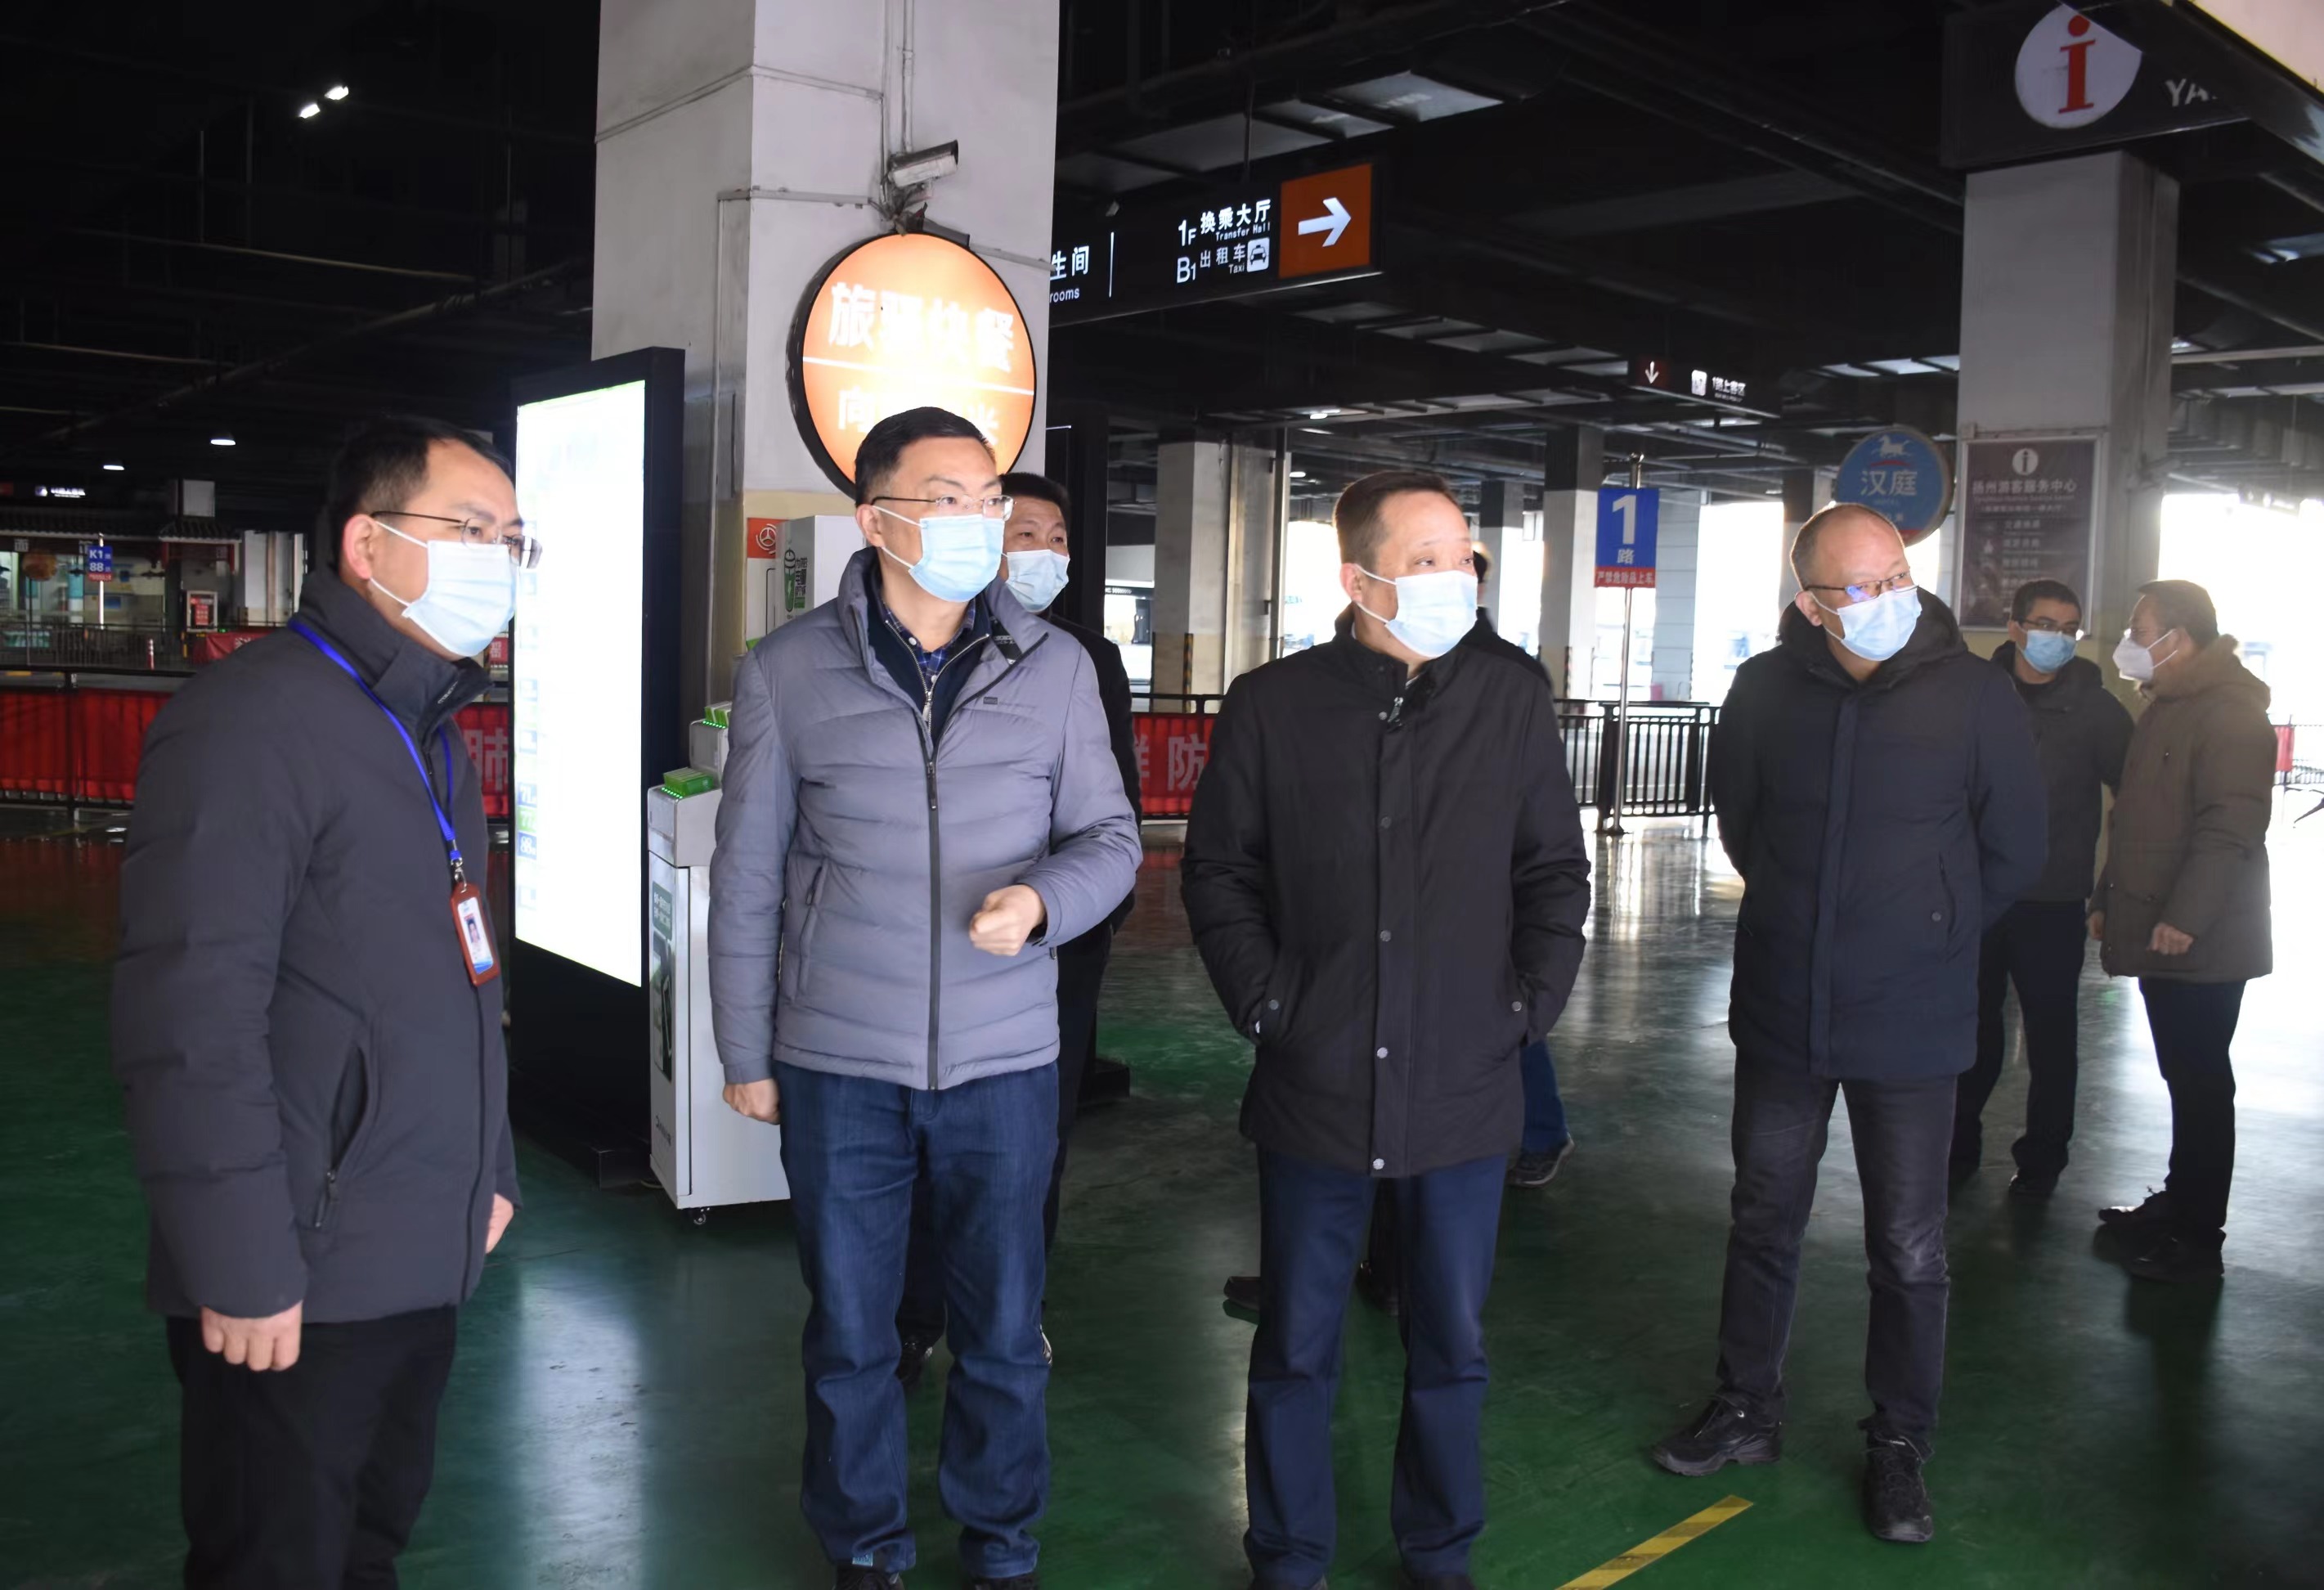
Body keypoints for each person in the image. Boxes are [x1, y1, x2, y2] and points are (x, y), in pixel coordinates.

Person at [709, 407, 1141, 1590]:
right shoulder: (788, 669)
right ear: (876, 520)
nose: (978, 521)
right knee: (851, 1333)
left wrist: (1043, 901)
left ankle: (1002, 1541)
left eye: (988, 499)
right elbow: (747, 876)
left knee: (1002, 1330)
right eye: (948, 498)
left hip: (1006, 1062)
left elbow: (1111, 839)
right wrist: (745, 1053)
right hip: (839, 1062)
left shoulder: (1056, 669)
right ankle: (863, 1544)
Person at [112, 414, 531, 1587]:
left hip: (421, 1238)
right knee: (275, 1559)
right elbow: (189, 1020)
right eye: (472, 528)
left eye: (513, 539)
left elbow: (457, 983)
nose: (499, 559)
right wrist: (240, 1261)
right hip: (296, 1265)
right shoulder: (251, 721)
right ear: (366, 543)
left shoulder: (427, 728)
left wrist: (489, 1168)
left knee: (367, 1545)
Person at [1184, 469, 1592, 1590]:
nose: (1454, 577)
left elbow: (1553, 870)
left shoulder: (1509, 698)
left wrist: (1527, 1006)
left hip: (1464, 1081)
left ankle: (1438, 1550)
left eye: (1462, 557)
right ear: (1358, 579)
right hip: (1314, 1078)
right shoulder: (1273, 704)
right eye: (1424, 560)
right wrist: (1268, 1002)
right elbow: (1220, 871)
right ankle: (1287, 1555)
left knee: (1449, 1345)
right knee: (1295, 1344)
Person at [1655, 504, 2044, 1545]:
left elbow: (2014, 845)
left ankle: (1900, 1440)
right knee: (1762, 1217)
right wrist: (1806, 913)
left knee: (1909, 1245)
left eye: (1894, 577)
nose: (1883, 600)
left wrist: (1932, 926)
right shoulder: (1764, 690)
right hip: (1784, 1006)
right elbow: (1742, 824)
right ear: (1812, 603)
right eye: (1857, 589)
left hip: (1913, 1020)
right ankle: (1746, 1407)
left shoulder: (1974, 696)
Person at [894, 469, 1142, 1383]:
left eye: (1056, 537)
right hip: (935, 944)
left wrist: (1079, 912)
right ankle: (912, 1314)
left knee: (1034, 1142)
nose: (1044, 552)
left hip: (1055, 943)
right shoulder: (918, 643)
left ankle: (1011, 1311)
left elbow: (1111, 810)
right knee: (921, 1138)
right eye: (1024, 533)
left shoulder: (1083, 658)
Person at [2093, 579, 2275, 1284]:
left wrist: (2185, 918)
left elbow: (2230, 830)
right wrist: (2106, 899)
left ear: (2181, 638)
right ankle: (2179, 1201)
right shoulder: (2167, 707)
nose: (2130, 644)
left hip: (2202, 940)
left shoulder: (2231, 716)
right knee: (2183, 1075)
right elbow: (2133, 819)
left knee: (2201, 1084)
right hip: (2159, 929)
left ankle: (2199, 1239)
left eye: (2140, 631)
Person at [1950, 578, 2132, 1197]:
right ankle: (1956, 1144)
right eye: (2046, 624)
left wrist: (2111, 881)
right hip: (1979, 894)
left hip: (2053, 899)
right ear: (2015, 628)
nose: (2058, 637)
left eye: (2069, 627)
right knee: (1972, 1027)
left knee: (2052, 1037)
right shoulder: (1977, 694)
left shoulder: (2096, 710)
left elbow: (2134, 793)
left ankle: (2043, 1159)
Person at [1470, 543, 1578, 1188]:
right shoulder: (1356, 668)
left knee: (1509, 1008)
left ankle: (1543, 1130)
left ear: (1476, 585)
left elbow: (1541, 797)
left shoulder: (1512, 674)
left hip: (1495, 878)